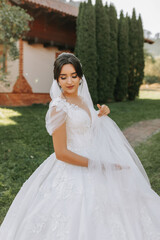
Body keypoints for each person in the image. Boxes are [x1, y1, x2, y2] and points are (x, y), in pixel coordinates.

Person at [0, 52, 160, 240]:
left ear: (80, 77)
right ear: (57, 80)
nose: (69, 81)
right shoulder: (58, 107)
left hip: (94, 156)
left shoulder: (83, 100)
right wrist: (98, 164)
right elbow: (61, 153)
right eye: (63, 77)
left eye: (74, 75)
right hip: (73, 166)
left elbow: (85, 127)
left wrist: (99, 115)